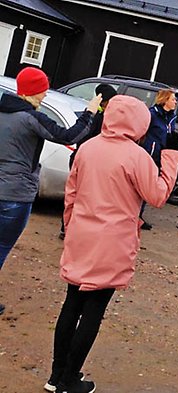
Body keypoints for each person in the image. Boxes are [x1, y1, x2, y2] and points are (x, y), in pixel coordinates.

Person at [46, 95, 178, 393]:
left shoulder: (88, 148)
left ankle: (57, 375)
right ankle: (69, 379)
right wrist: (170, 160)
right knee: (93, 309)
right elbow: (157, 196)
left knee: (71, 304)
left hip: (82, 233)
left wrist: (70, 226)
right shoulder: (137, 156)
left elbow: (71, 193)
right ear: (139, 122)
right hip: (113, 240)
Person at [0, 66, 100, 316]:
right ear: (34, 92)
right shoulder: (32, 118)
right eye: (43, 90)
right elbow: (70, 135)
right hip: (16, 194)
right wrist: (89, 112)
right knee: (1, 247)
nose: (45, 95)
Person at [59, 83, 118, 239]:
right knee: (76, 196)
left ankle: (74, 228)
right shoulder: (94, 118)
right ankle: (66, 228)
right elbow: (82, 139)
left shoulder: (103, 117)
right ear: (104, 101)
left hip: (92, 162)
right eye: (111, 100)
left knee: (83, 196)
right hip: (83, 161)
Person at [140, 88, 178, 230]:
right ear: (165, 100)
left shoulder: (172, 117)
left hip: (161, 156)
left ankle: (140, 215)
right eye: (173, 99)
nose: (175, 102)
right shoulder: (152, 114)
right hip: (148, 154)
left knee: (150, 186)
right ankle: (134, 214)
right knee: (141, 184)